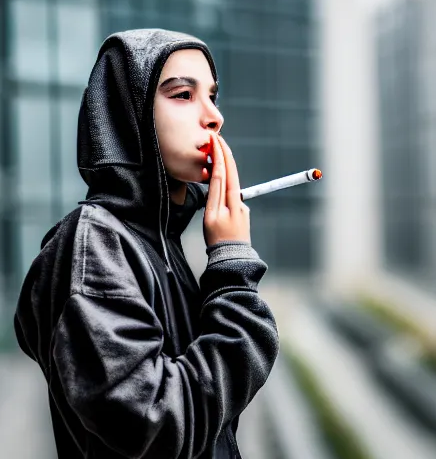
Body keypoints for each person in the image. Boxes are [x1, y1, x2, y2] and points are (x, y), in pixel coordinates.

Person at [14, 29, 280, 459]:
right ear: (128, 111)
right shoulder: (96, 242)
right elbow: (158, 425)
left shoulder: (161, 236)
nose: (214, 117)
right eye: (182, 95)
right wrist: (232, 269)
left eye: (212, 96)